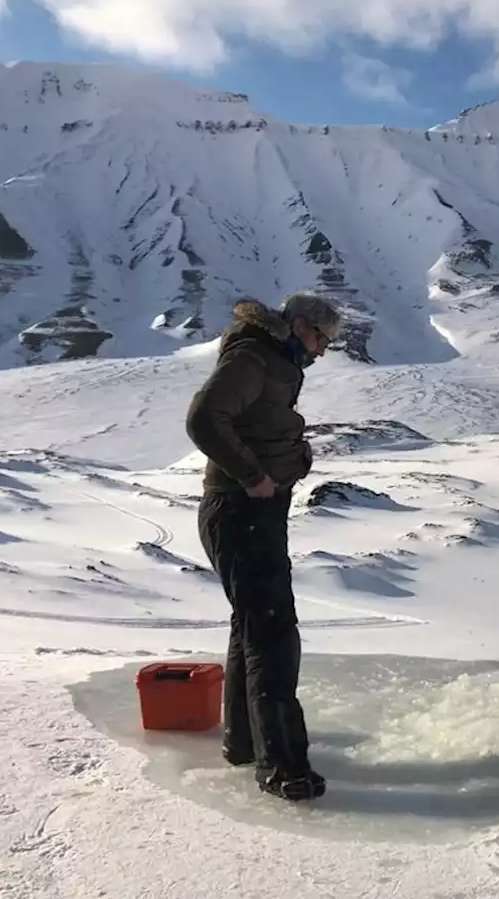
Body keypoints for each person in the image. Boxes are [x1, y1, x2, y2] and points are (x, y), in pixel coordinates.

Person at [185, 291, 342, 801]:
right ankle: (283, 767)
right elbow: (205, 418)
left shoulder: (272, 361)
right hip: (240, 512)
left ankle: (246, 743)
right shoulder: (252, 358)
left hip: (251, 513)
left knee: (252, 627)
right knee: (273, 637)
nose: (321, 351)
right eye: (320, 338)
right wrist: (252, 475)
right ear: (298, 325)